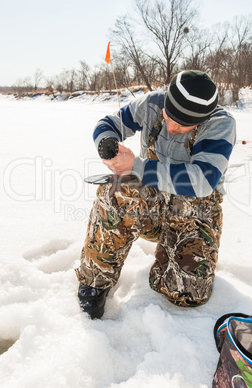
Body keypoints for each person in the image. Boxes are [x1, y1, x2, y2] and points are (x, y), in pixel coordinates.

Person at [75, 70, 236, 319]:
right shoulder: (152, 103)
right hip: (148, 206)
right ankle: (94, 283)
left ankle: (171, 255)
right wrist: (107, 144)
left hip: (191, 216)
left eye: (183, 124)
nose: (171, 127)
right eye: (169, 116)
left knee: (186, 295)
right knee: (117, 190)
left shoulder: (220, 124)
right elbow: (108, 124)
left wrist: (137, 167)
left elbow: (203, 180)